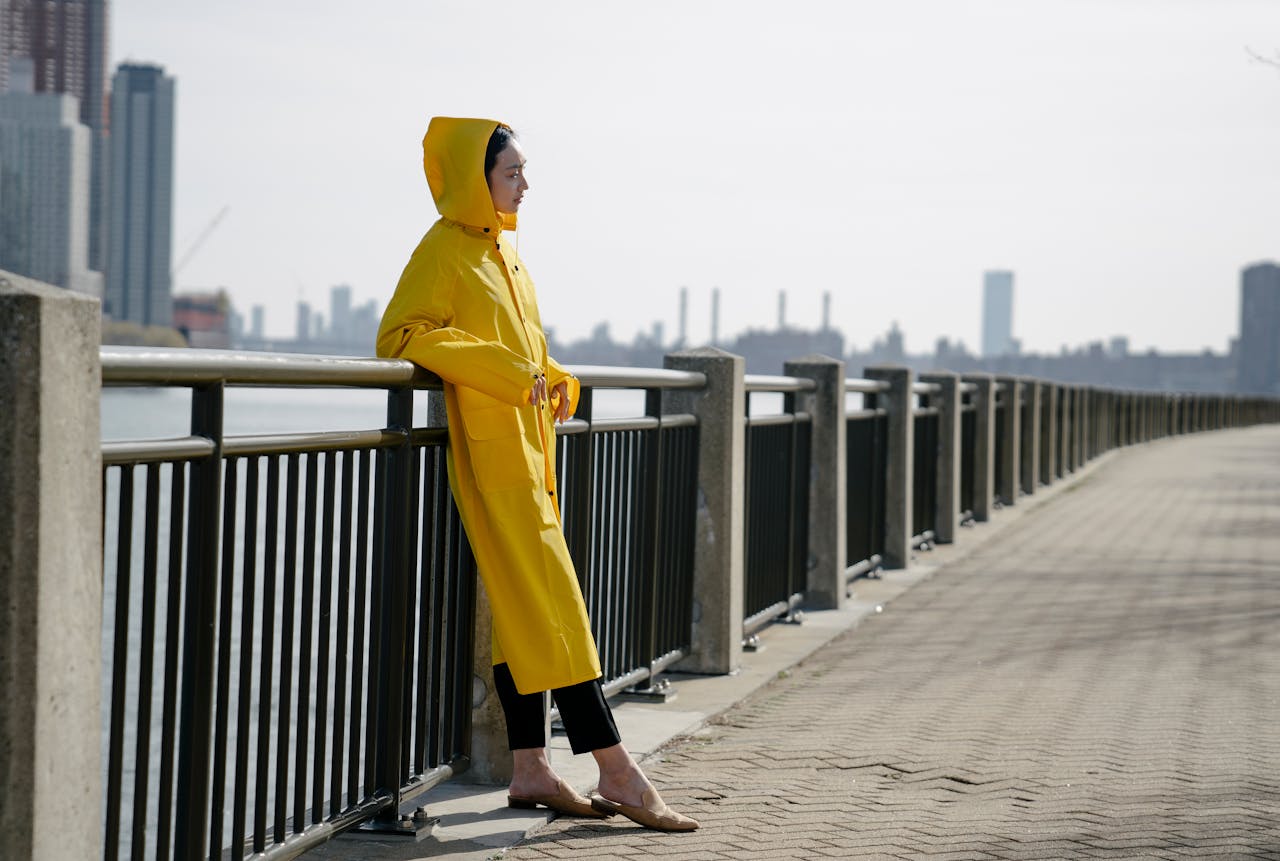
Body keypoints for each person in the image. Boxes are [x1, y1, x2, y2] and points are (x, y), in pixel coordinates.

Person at [375, 117, 698, 833]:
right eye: (511, 173)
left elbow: (517, 347)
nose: (525, 185)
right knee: (557, 610)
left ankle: (530, 767)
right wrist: (505, 373)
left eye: (524, 171)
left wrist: (550, 375)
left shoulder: (506, 257)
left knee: (524, 618)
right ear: (475, 180)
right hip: (494, 460)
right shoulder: (445, 252)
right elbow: (402, 334)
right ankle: (619, 772)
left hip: (529, 454)